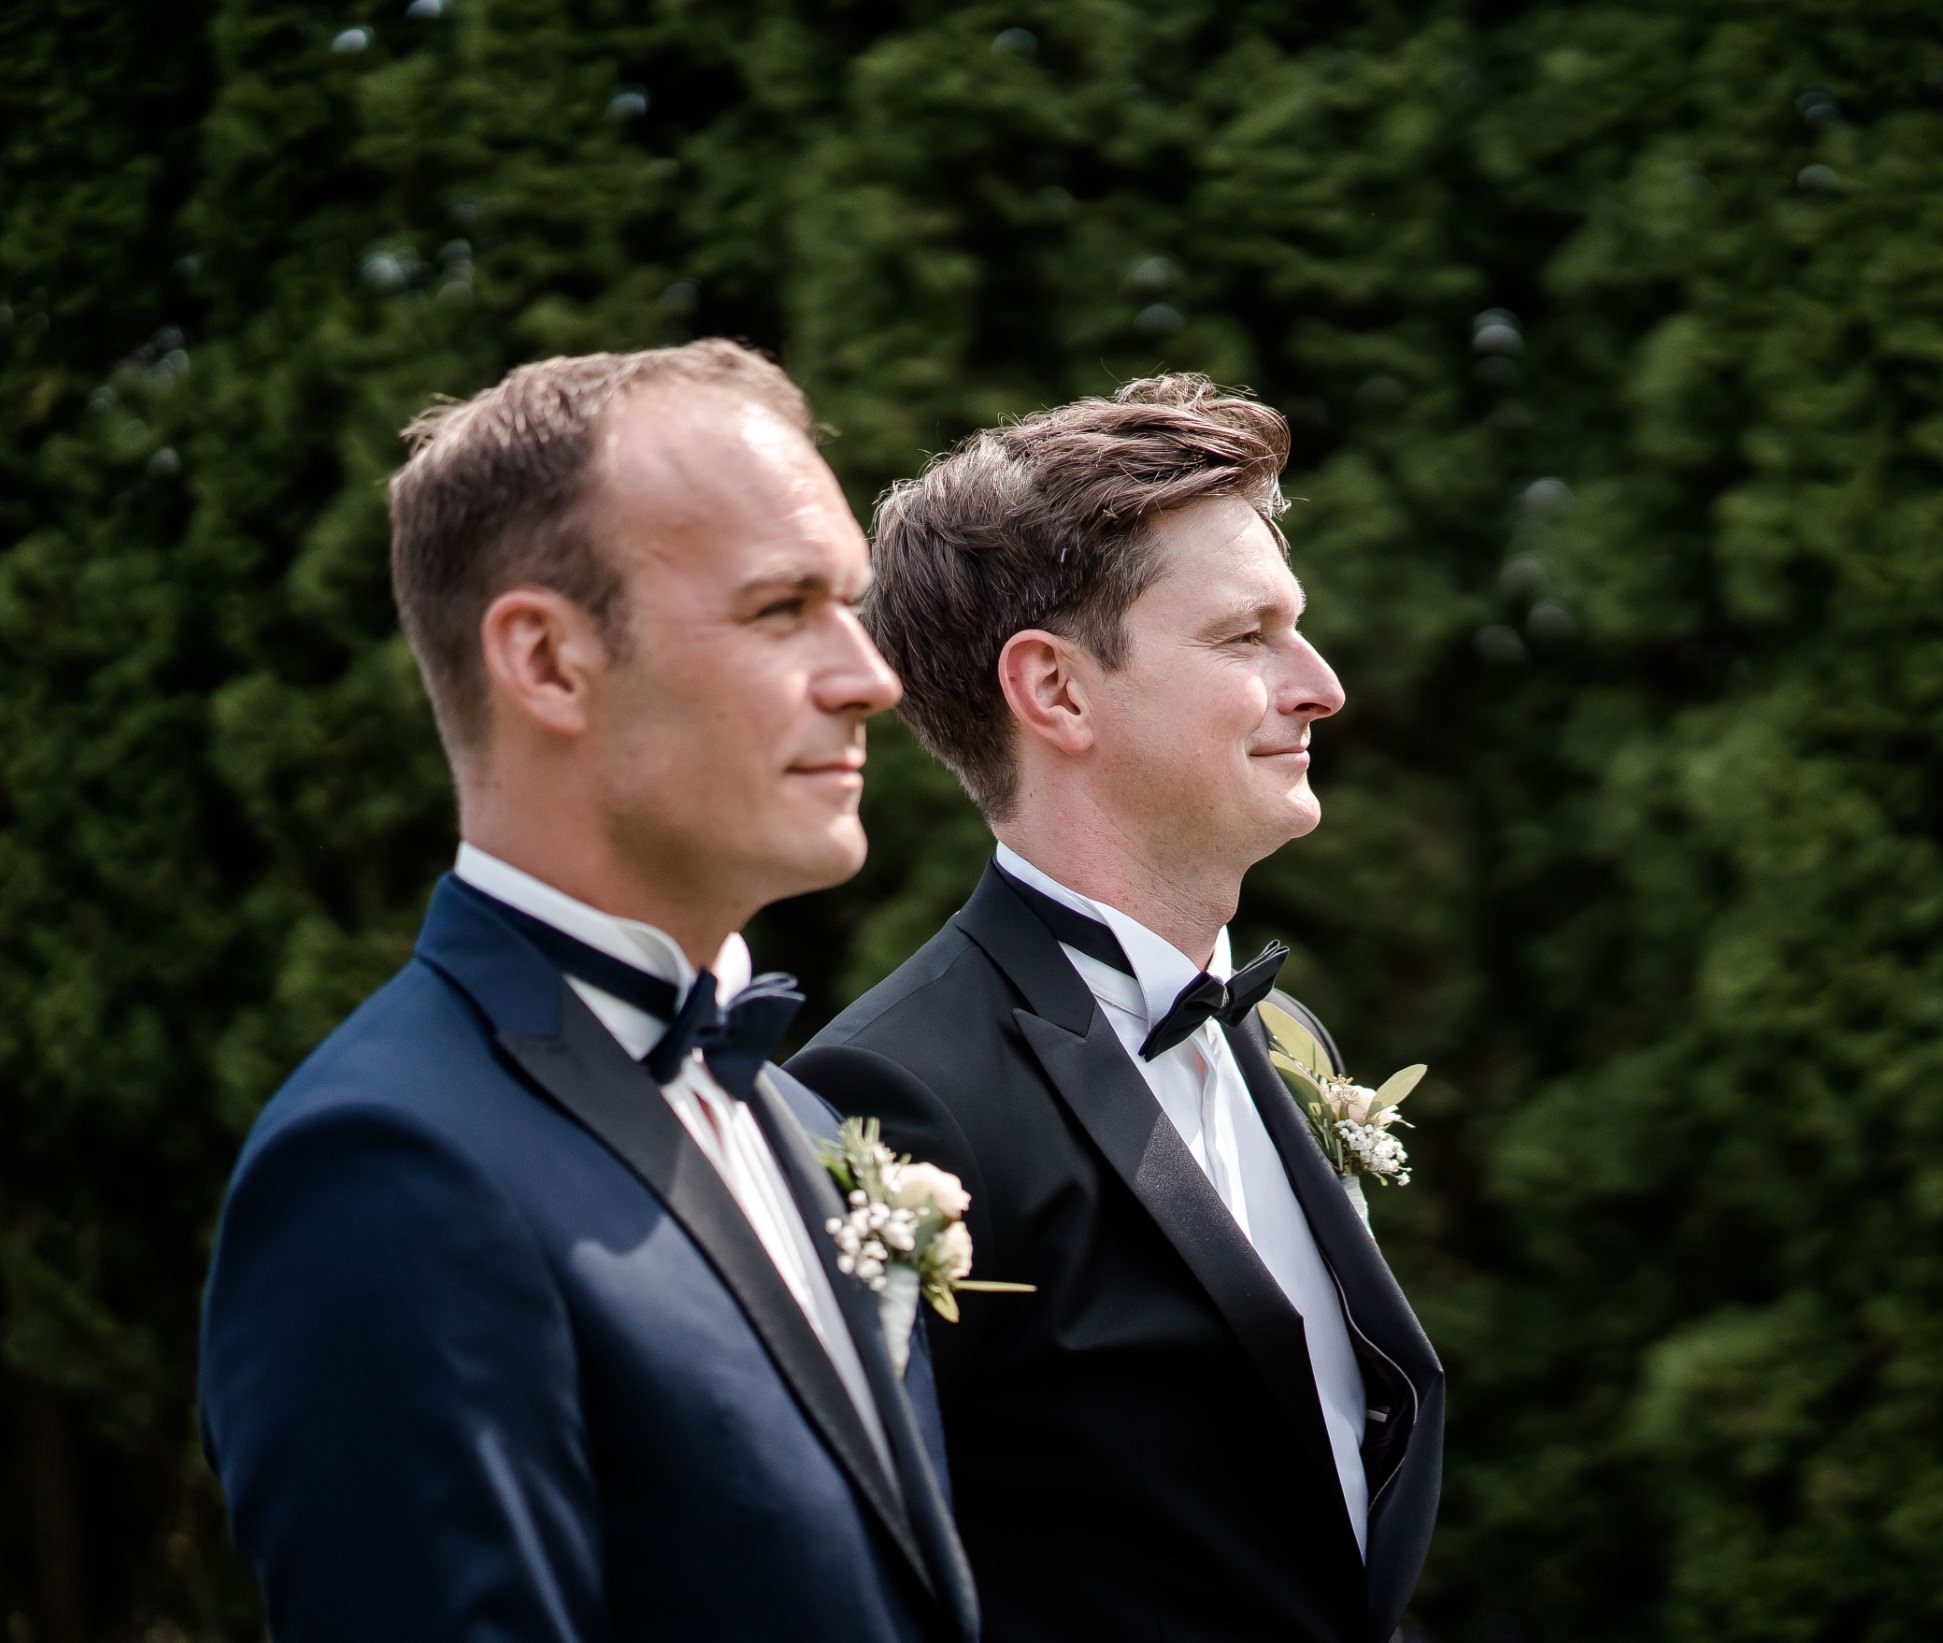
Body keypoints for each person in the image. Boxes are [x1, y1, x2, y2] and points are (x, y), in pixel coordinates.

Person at [197, 342, 978, 1643]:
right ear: (548, 660)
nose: (871, 677)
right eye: (782, 608)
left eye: (849, 601)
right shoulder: (387, 1171)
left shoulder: (803, 1121)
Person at [789, 374, 1444, 1642]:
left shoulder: (1284, 1043)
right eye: (1246, 637)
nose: (1320, 685)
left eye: (1296, 629)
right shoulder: (893, 1105)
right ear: (1055, 691)